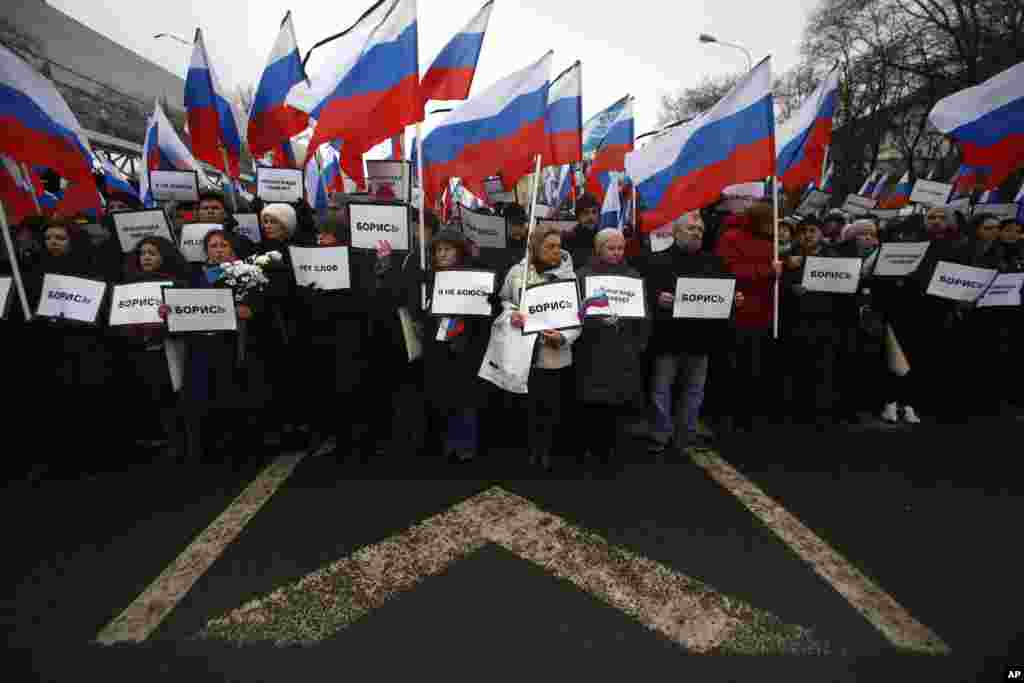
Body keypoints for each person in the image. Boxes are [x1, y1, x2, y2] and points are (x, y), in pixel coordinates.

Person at [642, 211, 741, 455]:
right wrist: (656, 297)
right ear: (676, 233)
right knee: (661, 389)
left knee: (694, 390)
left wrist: (734, 299)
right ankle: (660, 434)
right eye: (691, 229)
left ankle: (687, 433)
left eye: (699, 230)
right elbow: (644, 293)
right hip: (668, 336)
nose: (696, 233)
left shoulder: (714, 262)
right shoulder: (657, 260)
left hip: (701, 338)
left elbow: (727, 292)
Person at [413, 227, 498, 462]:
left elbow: (486, 312)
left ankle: (467, 445)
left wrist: (487, 300)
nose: (441, 254)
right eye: (438, 250)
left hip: (467, 347)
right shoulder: (429, 278)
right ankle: (449, 443)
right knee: (445, 398)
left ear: (459, 251)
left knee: (467, 399)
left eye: (447, 249)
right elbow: (420, 314)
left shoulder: (474, 274)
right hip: (439, 349)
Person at [500, 224, 580, 470]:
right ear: (535, 247)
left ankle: (545, 449)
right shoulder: (518, 272)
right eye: (549, 246)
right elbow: (505, 299)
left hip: (553, 351)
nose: (556, 251)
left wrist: (564, 337)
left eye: (558, 246)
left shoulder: (569, 276)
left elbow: (577, 315)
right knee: (528, 403)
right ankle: (529, 448)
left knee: (550, 404)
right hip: (525, 350)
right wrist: (511, 313)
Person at [572, 228, 650, 473]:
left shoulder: (633, 275)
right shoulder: (582, 275)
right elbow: (574, 312)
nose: (617, 253)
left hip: (622, 351)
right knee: (589, 405)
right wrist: (593, 322)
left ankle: (609, 451)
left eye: (620, 248)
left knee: (616, 405)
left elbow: (644, 315)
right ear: (598, 249)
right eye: (611, 248)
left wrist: (638, 344)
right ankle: (587, 450)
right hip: (591, 350)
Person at [715, 204, 782, 432]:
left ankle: (753, 412)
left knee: (757, 364)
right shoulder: (731, 238)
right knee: (738, 364)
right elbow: (729, 271)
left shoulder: (770, 243)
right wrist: (768, 271)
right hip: (741, 312)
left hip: (765, 312)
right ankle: (735, 414)